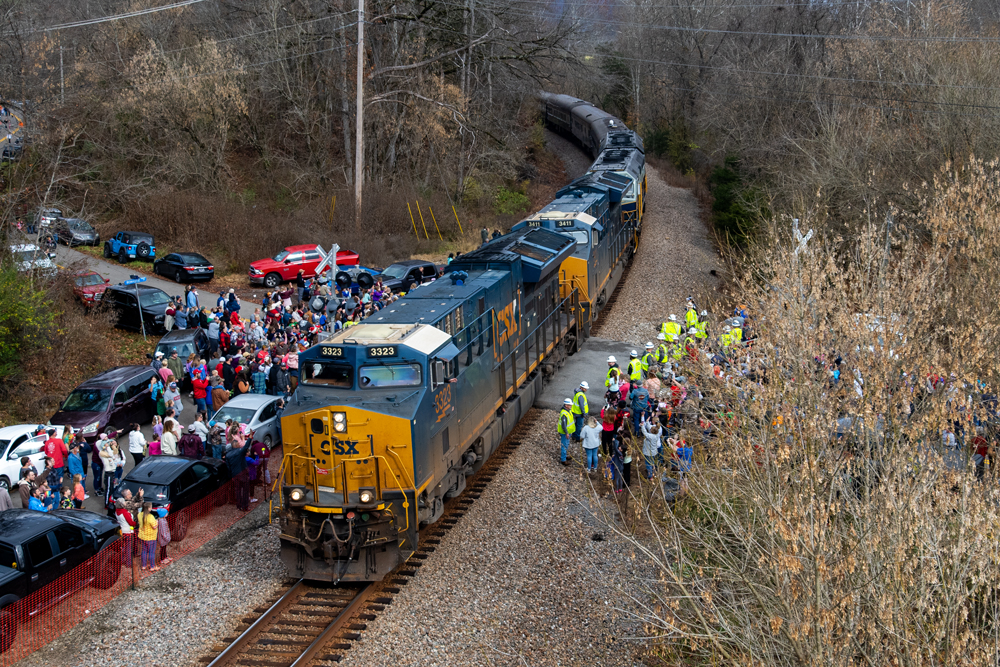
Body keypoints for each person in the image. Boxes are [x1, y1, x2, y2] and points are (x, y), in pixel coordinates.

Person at [138, 502, 159, 571]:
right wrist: (157, 522)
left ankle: (144, 565)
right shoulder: (150, 517)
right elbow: (154, 526)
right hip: (151, 537)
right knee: (151, 552)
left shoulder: (139, 515)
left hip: (142, 536)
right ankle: (152, 566)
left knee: (144, 551)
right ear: (149, 508)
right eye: (151, 507)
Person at [557, 398, 575, 466]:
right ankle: (563, 459)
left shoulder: (568, 411)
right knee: (564, 445)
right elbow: (564, 425)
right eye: (569, 405)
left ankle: (565, 456)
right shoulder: (564, 413)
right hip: (565, 433)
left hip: (568, 432)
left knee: (566, 444)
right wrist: (566, 433)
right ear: (566, 405)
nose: (570, 406)